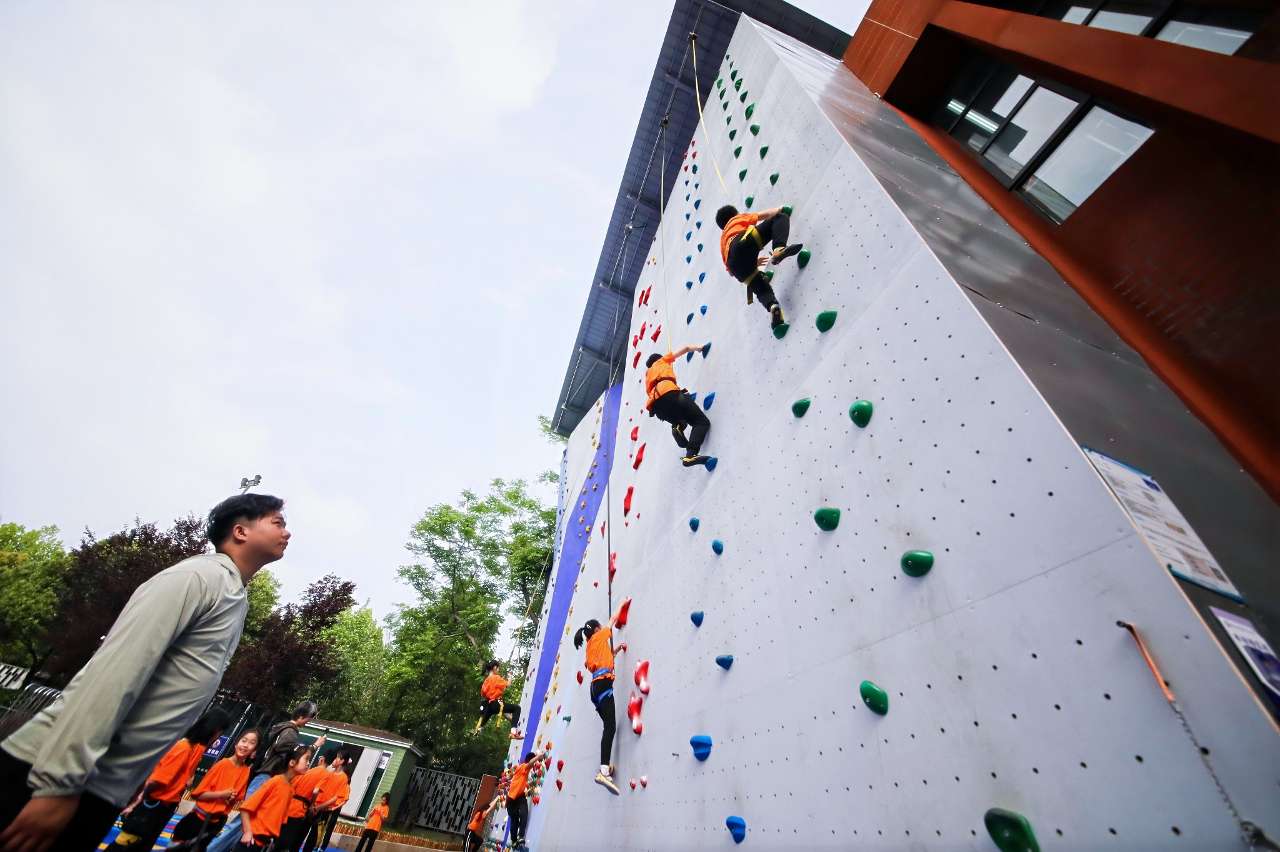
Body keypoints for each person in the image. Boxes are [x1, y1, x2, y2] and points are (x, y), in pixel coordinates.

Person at [0, 493, 289, 852]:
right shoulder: (199, 577)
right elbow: (115, 674)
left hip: (101, 788)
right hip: (48, 777)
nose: (287, 532)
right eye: (277, 522)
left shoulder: (235, 596)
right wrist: (59, 784)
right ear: (240, 531)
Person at [105, 708, 232, 851]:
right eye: (220, 732)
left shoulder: (194, 749)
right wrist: (136, 803)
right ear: (214, 730)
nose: (218, 737)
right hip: (152, 806)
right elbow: (156, 781)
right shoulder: (184, 747)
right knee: (126, 843)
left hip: (162, 807)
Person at [207, 702, 324, 852]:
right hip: (266, 776)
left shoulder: (280, 727)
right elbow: (287, 749)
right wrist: (313, 747)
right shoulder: (290, 732)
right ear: (301, 716)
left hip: (263, 774)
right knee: (243, 820)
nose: (309, 721)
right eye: (309, 718)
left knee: (246, 821)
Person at [572, 600, 630, 795]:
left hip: (595, 690)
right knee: (610, 727)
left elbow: (603, 659)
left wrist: (617, 651)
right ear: (596, 629)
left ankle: (606, 767)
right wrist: (623, 603)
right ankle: (603, 770)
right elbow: (612, 620)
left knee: (608, 727)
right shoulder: (599, 635)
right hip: (603, 686)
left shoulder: (590, 646)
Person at [715, 204, 803, 330]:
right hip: (743, 241)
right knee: (779, 218)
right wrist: (780, 208)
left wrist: (753, 262)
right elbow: (766, 214)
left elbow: (731, 271)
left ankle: (773, 307)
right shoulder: (735, 219)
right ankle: (778, 249)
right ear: (734, 214)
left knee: (761, 288)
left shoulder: (723, 241)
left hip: (735, 267)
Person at [169, 728, 260, 849]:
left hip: (215, 824)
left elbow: (236, 798)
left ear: (254, 751)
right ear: (237, 743)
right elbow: (197, 794)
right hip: (196, 820)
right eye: (244, 740)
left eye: (252, 743)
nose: (246, 745)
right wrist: (221, 795)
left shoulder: (245, 771)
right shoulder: (222, 764)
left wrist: (230, 798)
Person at [644, 346, 713, 466]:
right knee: (701, 422)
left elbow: (655, 396)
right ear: (658, 359)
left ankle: (678, 426)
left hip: (657, 407)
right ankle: (690, 455)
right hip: (670, 394)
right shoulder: (662, 361)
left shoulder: (648, 376)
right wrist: (699, 348)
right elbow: (686, 348)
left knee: (680, 417)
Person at [237, 745, 312, 849]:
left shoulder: (290, 790)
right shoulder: (275, 781)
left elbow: (281, 820)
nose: (308, 763)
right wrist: (248, 832)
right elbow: (245, 808)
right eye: (306, 759)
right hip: (251, 840)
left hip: (264, 842)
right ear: (292, 762)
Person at [276, 753, 329, 852]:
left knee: (279, 838)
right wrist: (313, 805)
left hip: (288, 805)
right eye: (307, 760)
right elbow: (316, 791)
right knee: (291, 841)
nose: (308, 763)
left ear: (322, 759)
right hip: (300, 809)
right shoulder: (325, 774)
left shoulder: (307, 772)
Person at [301, 750, 351, 852]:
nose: (334, 759)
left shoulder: (343, 778)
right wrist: (312, 805)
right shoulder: (329, 773)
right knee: (302, 833)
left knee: (313, 838)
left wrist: (318, 808)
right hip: (313, 807)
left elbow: (335, 798)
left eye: (337, 757)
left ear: (341, 761)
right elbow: (317, 789)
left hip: (323, 811)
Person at [476, 661, 523, 740]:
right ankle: (513, 732)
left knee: (487, 716)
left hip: (489, 705)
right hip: (497, 704)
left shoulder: (485, 682)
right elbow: (508, 684)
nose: (498, 670)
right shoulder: (496, 677)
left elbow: (483, 694)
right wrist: (510, 676)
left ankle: (478, 729)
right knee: (517, 708)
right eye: (498, 668)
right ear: (495, 667)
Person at [505, 751, 542, 850]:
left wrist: (533, 784)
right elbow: (530, 763)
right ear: (530, 760)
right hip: (511, 800)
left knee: (524, 814)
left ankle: (520, 837)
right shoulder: (523, 766)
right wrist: (539, 756)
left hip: (519, 797)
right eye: (533, 762)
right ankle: (514, 841)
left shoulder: (522, 771)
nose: (533, 764)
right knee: (515, 821)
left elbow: (522, 784)